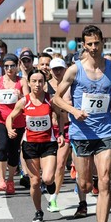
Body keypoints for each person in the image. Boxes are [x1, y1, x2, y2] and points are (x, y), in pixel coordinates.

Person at [52, 25, 111, 222]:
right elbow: (56, 98)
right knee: (85, 184)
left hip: (105, 131)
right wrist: (73, 111)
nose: (94, 48)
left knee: (104, 180)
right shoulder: (74, 70)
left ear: (102, 42)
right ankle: (83, 189)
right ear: (83, 45)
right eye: (90, 44)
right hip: (81, 133)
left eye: (97, 43)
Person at [6, 69, 63, 222]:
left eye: (40, 81)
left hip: (48, 143)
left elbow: (60, 115)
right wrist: (10, 129)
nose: (37, 84)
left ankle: (50, 184)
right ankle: (38, 211)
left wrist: (61, 133)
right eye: (34, 81)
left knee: (48, 177)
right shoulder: (24, 101)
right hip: (30, 144)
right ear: (29, 83)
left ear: (44, 83)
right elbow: (10, 117)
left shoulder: (50, 99)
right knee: (35, 181)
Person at [0, 53, 28, 195]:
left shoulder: (22, 82)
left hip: (17, 121)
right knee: (2, 146)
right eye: (6, 66)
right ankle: (2, 180)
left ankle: (10, 180)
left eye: (12, 66)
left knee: (13, 150)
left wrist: (21, 95)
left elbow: (28, 100)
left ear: (17, 66)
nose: (9, 69)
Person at [47, 57, 70, 213]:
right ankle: (48, 183)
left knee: (61, 163)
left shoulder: (70, 85)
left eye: (60, 69)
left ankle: (54, 197)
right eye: (55, 69)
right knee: (50, 166)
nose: (58, 72)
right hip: (48, 129)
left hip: (67, 127)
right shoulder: (44, 85)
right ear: (50, 70)